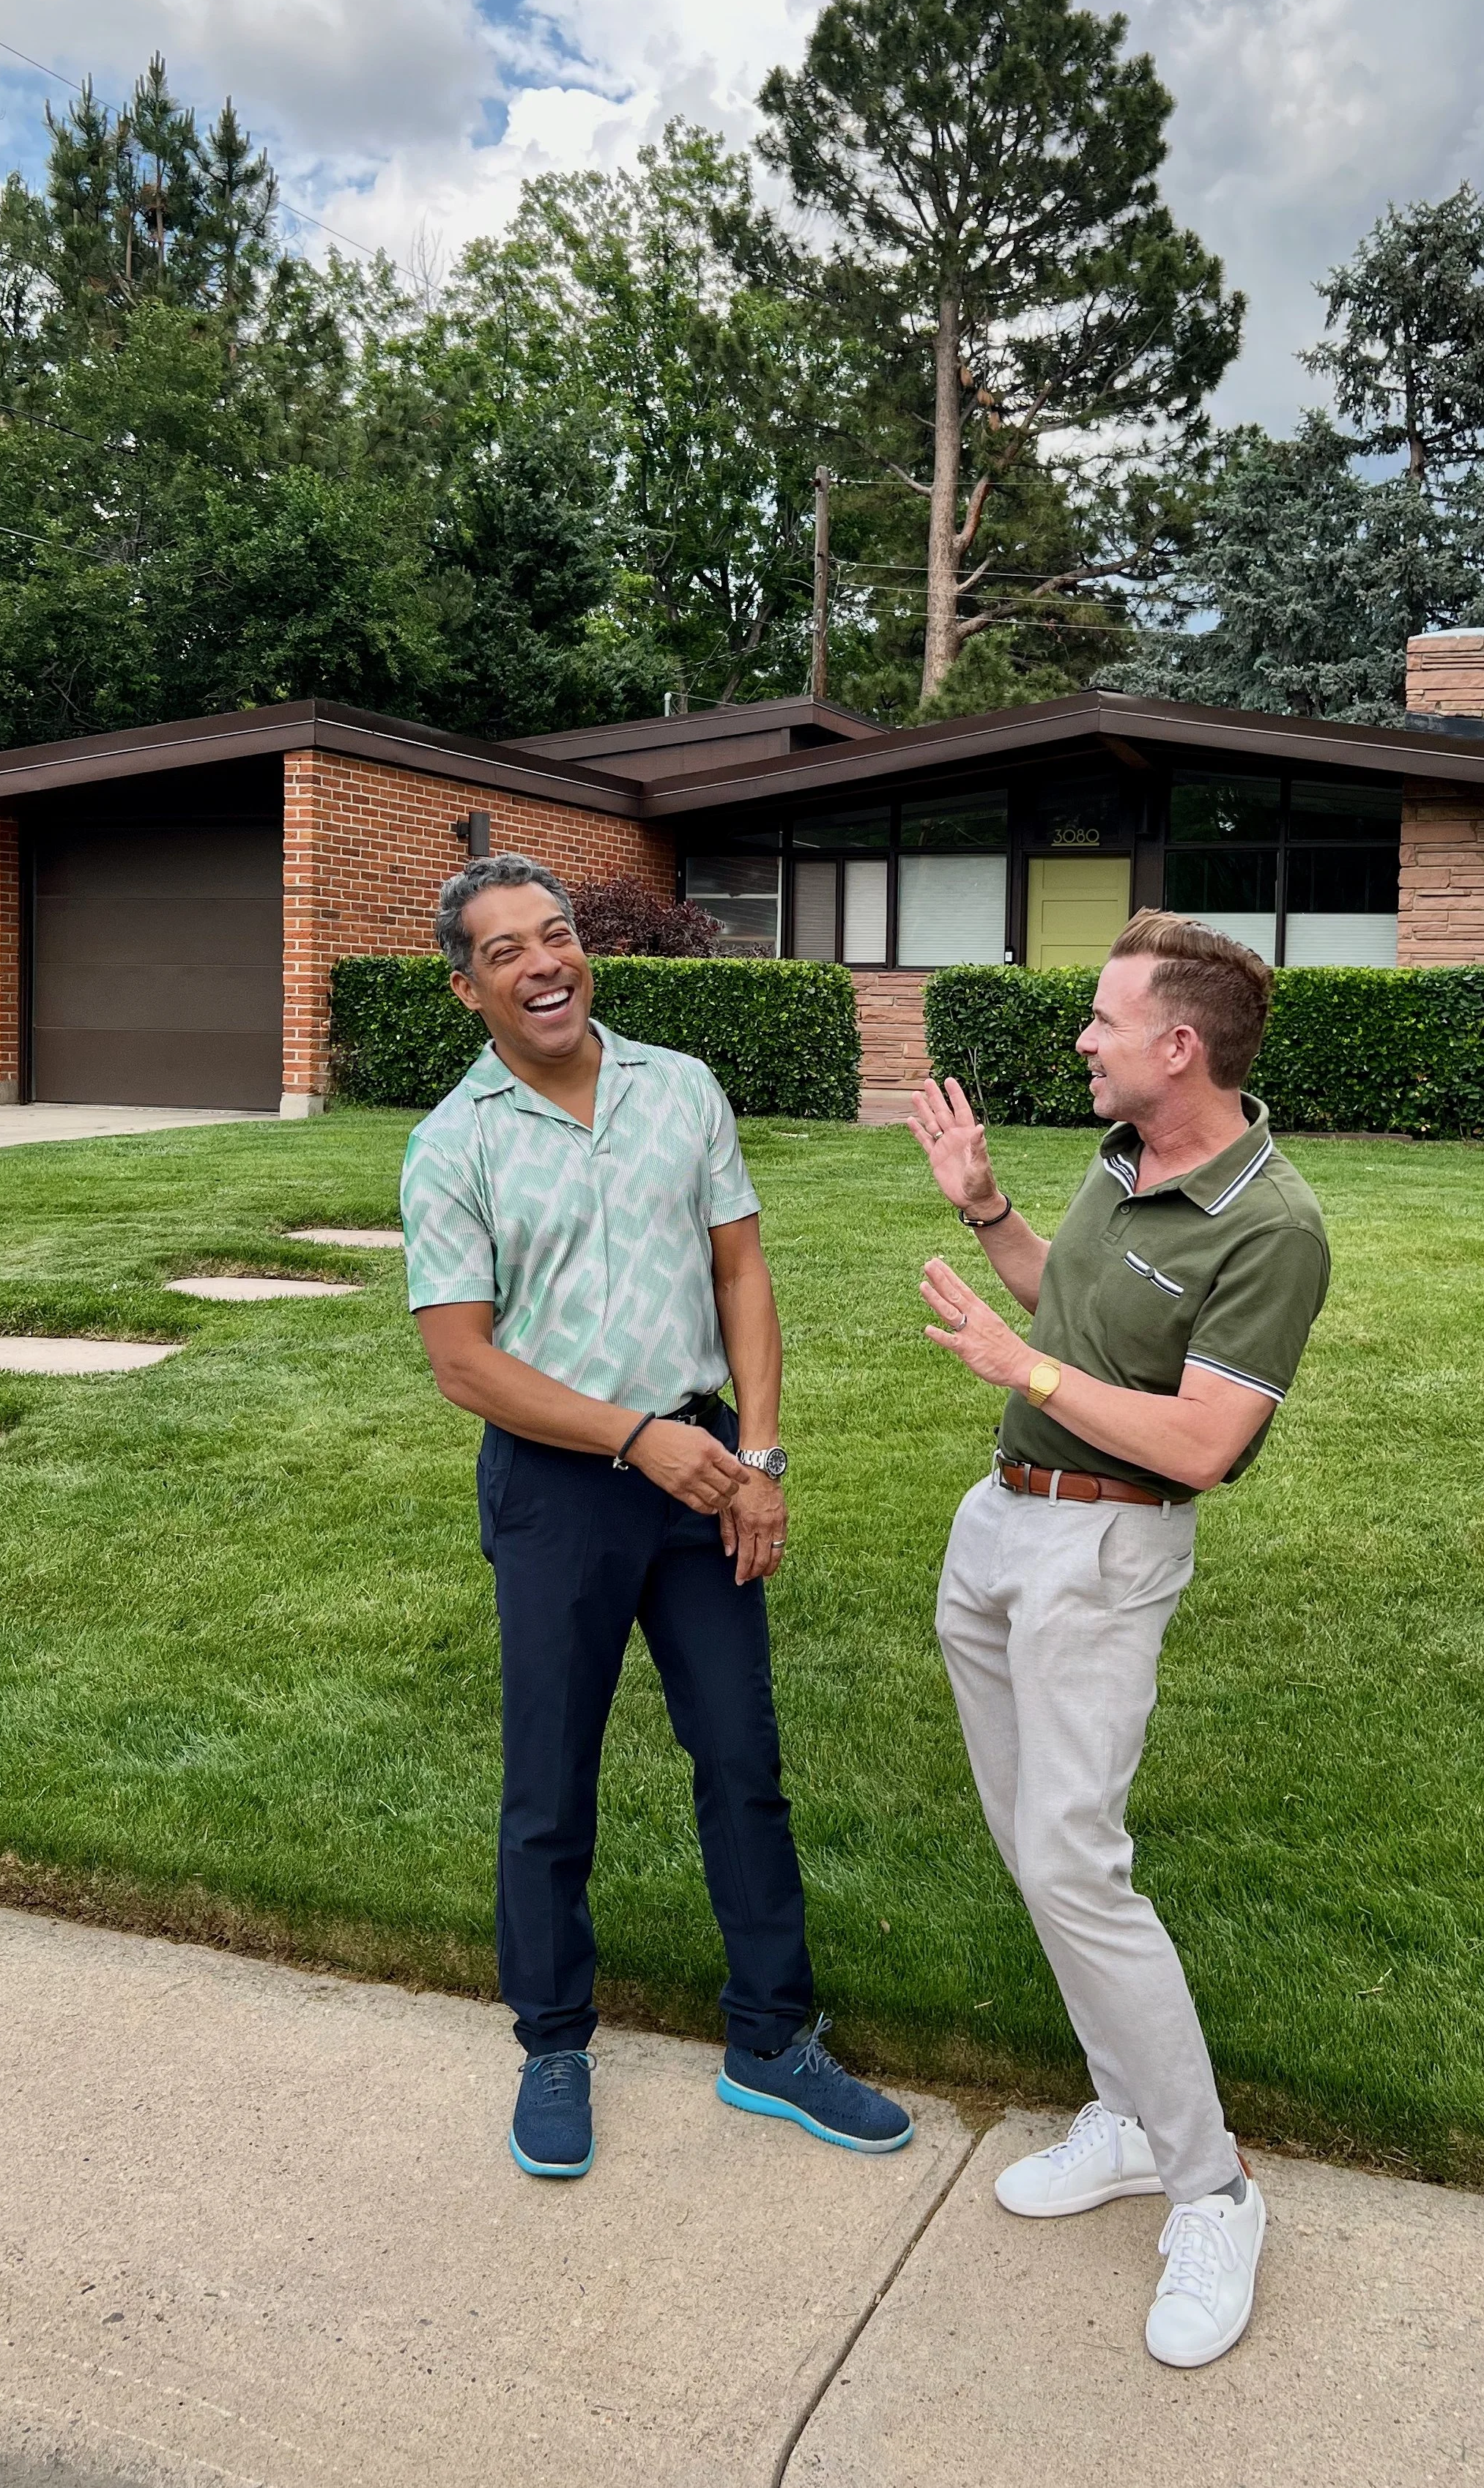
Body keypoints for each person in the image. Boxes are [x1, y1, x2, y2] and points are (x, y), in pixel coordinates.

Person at [401, 851, 911, 2178]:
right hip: (562, 1488)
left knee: (741, 1759)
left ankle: (771, 2039)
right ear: (468, 988)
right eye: (505, 949)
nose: (543, 961)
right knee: (549, 1779)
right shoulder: (451, 1143)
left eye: (555, 934)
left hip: (709, 1473)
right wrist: (641, 1441)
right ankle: (554, 2040)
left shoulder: (680, 1088)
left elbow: (739, 1269)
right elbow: (464, 1360)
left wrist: (759, 1457)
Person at [910, 911, 1329, 2369]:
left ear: (1178, 1045)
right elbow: (1069, 1316)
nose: (1077, 1038)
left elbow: (1207, 1439)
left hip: (1104, 1544)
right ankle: (1127, 2115)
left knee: (1075, 1853)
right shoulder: (1118, 1155)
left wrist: (1017, 1365)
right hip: (1001, 1517)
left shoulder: (1269, 1226)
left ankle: (1210, 2186)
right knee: (1036, 1846)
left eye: (1101, 1019)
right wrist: (985, 1214)